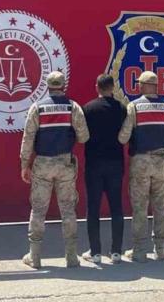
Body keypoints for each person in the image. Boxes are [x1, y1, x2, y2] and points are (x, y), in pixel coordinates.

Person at [19, 70, 89, 269]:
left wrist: (24, 165)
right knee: (68, 210)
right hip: (65, 163)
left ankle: (35, 256)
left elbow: (28, 138)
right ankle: (71, 257)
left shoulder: (37, 108)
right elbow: (84, 136)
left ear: (47, 87)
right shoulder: (73, 107)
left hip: (42, 164)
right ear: (63, 86)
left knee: (38, 210)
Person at [118, 71, 164, 263]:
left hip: (141, 162)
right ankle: (160, 249)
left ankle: (139, 250)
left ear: (143, 85)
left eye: (140, 83)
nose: (138, 86)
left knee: (139, 207)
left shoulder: (134, 107)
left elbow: (123, 137)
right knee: (160, 206)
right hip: (161, 162)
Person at [81, 74, 127, 265]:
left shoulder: (88, 108)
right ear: (113, 87)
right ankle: (116, 252)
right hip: (115, 162)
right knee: (116, 207)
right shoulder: (122, 109)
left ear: (97, 87)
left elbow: (82, 135)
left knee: (93, 208)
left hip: (94, 163)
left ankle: (95, 252)